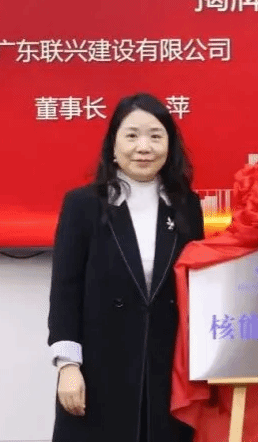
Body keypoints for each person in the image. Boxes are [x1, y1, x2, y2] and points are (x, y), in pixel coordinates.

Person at [47, 92, 205, 442]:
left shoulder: (186, 206)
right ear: (113, 144)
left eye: (155, 136)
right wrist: (68, 365)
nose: (143, 147)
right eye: (132, 135)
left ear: (169, 145)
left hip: (165, 368)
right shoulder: (83, 204)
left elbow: (195, 287)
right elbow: (65, 290)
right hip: (100, 366)